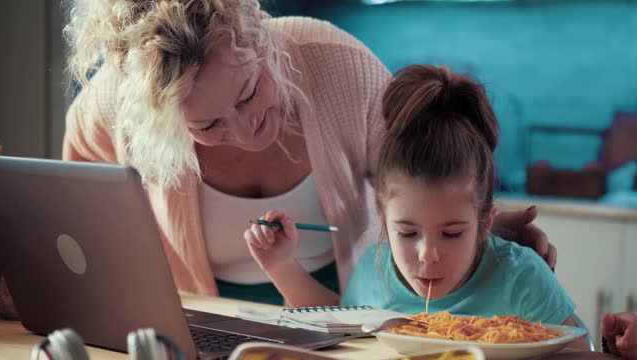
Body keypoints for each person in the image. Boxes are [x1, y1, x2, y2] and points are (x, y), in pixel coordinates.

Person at [63, 0, 554, 305]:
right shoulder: (116, 106)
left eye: (249, 92)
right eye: (206, 125)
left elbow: (424, 188)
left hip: (346, 315)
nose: (245, 128)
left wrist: (477, 235)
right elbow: (76, 213)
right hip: (203, 320)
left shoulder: (338, 66)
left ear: (257, 33)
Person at [245, 64, 589, 349]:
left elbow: (581, 352)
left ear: (486, 223)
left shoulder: (521, 277)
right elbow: (338, 324)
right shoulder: (373, 272)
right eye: (407, 232)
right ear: (382, 217)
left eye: (452, 233)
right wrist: (281, 265)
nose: (427, 255)